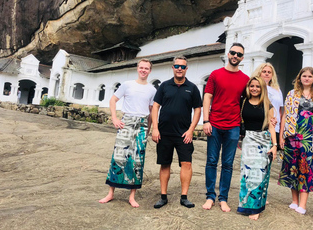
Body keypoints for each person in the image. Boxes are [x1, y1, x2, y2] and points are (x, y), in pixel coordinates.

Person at [99, 59, 157, 208]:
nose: (143, 70)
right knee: (118, 157)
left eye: (146, 68)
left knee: (137, 160)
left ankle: (132, 196)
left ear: (150, 71)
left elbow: (151, 112)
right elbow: (113, 100)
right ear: (137, 68)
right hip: (127, 121)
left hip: (142, 125)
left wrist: (148, 130)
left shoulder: (152, 90)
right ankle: (111, 193)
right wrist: (114, 118)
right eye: (141, 67)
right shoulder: (127, 85)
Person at [202, 43, 250, 212]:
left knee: (228, 164)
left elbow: (251, 102)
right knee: (211, 162)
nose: (235, 56)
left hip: (233, 126)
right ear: (228, 54)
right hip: (214, 124)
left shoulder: (245, 79)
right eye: (233, 52)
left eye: (239, 54)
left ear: (242, 58)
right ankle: (210, 196)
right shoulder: (216, 74)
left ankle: (223, 198)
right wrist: (206, 120)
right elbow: (207, 97)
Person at [151, 56, 202, 209]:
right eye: (177, 66)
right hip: (164, 133)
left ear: (186, 69)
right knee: (165, 164)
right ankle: (163, 196)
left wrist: (191, 130)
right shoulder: (164, 86)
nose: (179, 69)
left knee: (186, 163)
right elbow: (155, 107)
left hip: (183, 134)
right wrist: (155, 128)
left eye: (182, 66)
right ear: (172, 68)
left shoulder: (192, 88)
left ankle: (184, 197)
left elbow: (198, 109)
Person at [278, 67, 313, 215]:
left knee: (306, 169)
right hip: (292, 136)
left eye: (310, 76)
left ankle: (303, 204)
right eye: (304, 76)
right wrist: (281, 136)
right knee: (292, 168)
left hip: (309, 138)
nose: (306, 78)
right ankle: (294, 201)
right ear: (299, 78)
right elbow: (285, 115)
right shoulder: (292, 94)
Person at [237, 76, 276, 220]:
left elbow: (272, 126)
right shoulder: (243, 102)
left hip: (263, 140)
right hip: (248, 141)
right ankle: (246, 204)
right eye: (252, 86)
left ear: (262, 88)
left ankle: (256, 208)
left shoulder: (268, 105)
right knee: (247, 174)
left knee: (260, 175)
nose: (254, 89)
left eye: (257, 86)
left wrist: (275, 145)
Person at [253, 63, 284, 149]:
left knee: (269, 157)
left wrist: (280, 128)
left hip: (275, 128)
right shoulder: (255, 88)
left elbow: (280, 111)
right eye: (264, 71)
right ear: (259, 73)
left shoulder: (277, 90)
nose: (267, 74)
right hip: (261, 126)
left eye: (269, 72)